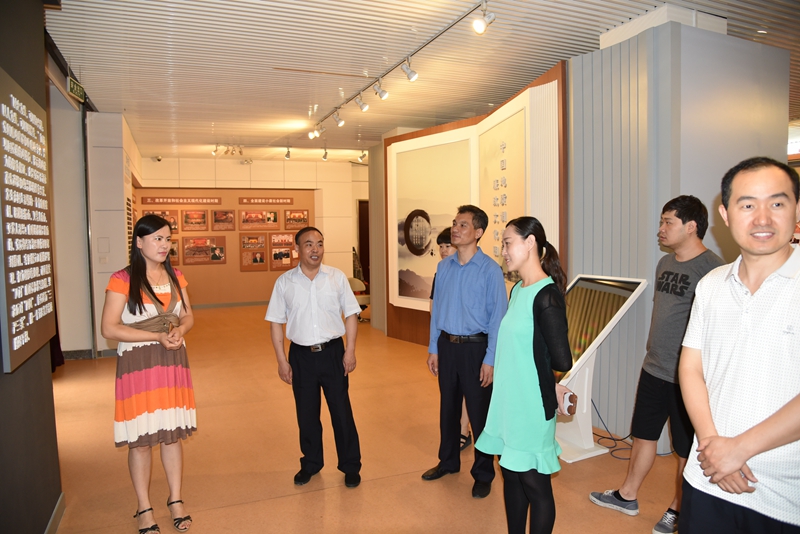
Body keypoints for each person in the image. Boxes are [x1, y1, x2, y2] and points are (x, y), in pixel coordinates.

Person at [679, 157, 800, 532]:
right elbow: (691, 368)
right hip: (705, 477)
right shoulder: (711, 284)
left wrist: (739, 450)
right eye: (747, 205)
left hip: (784, 496)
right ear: (726, 215)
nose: (762, 218)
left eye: (776, 203)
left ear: (797, 209)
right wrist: (712, 446)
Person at [589, 195, 724, 533]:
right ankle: (627, 495)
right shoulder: (665, 264)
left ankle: (679, 510)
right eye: (662, 221)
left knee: (685, 450)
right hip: (654, 368)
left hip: (688, 378)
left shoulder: (714, 270)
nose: (660, 228)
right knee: (644, 436)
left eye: (668, 222)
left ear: (690, 227)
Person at [475, 216, 573, 534]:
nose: (503, 251)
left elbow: (561, 358)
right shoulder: (518, 289)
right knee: (511, 476)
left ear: (530, 243)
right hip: (509, 403)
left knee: (534, 483)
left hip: (531, 406)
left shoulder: (547, 296)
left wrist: (554, 385)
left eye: (507, 243)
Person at [100, 214, 195, 534]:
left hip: (172, 360)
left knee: (171, 434)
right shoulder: (122, 279)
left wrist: (180, 330)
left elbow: (188, 315)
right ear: (139, 242)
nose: (164, 245)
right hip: (139, 363)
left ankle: (176, 500)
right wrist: (156, 336)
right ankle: (144, 507)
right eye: (157, 239)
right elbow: (109, 328)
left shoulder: (176, 276)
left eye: (167, 239)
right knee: (141, 440)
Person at [266, 226, 363, 488]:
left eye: (319, 244)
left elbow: (351, 314)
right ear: (297, 248)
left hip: (333, 353)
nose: (315, 249)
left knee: (341, 412)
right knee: (307, 414)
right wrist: (281, 361)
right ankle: (311, 463)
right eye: (308, 244)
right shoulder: (285, 282)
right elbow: (276, 322)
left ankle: (350, 465)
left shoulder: (336, 277)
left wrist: (350, 350)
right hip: (301, 357)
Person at [423, 205, 507, 498]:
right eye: (455, 223)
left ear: (478, 232)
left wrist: (491, 359)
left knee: (479, 414)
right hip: (447, 346)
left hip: (476, 349)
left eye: (463, 225)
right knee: (448, 408)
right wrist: (434, 347)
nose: (455, 229)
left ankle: (483, 473)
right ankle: (448, 462)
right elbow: (437, 311)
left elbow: (497, 319)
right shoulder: (443, 267)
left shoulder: (490, 271)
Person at [430, 227, 472, 451]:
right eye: (441, 246)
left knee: (468, 391)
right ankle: (454, 434)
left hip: (470, 341)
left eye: (448, 245)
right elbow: (434, 307)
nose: (444, 250)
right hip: (446, 339)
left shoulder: (478, 270)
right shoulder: (441, 271)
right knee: (450, 393)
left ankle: (464, 429)